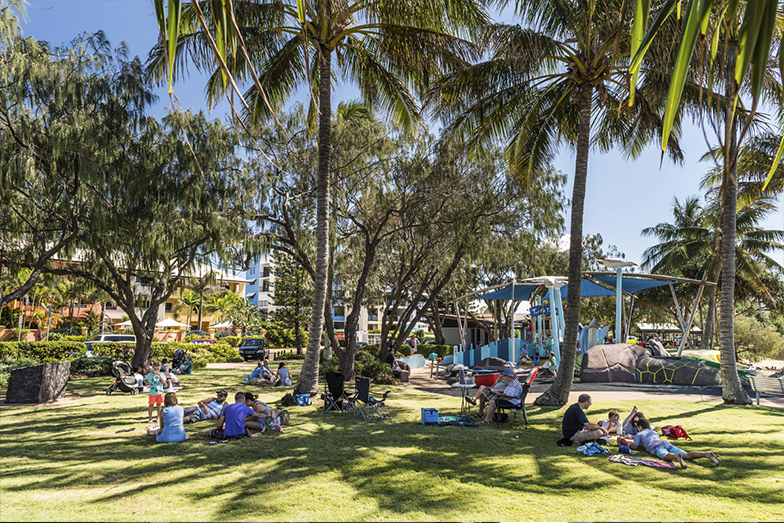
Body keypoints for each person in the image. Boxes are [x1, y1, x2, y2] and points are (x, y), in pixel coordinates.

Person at [629, 417, 720, 468]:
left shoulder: (639, 434)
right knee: (687, 455)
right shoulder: (654, 432)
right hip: (665, 443)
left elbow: (635, 446)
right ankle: (706, 454)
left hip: (655, 446)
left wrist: (629, 444)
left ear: (640, 427)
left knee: (665, 455)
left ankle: (676, 456)